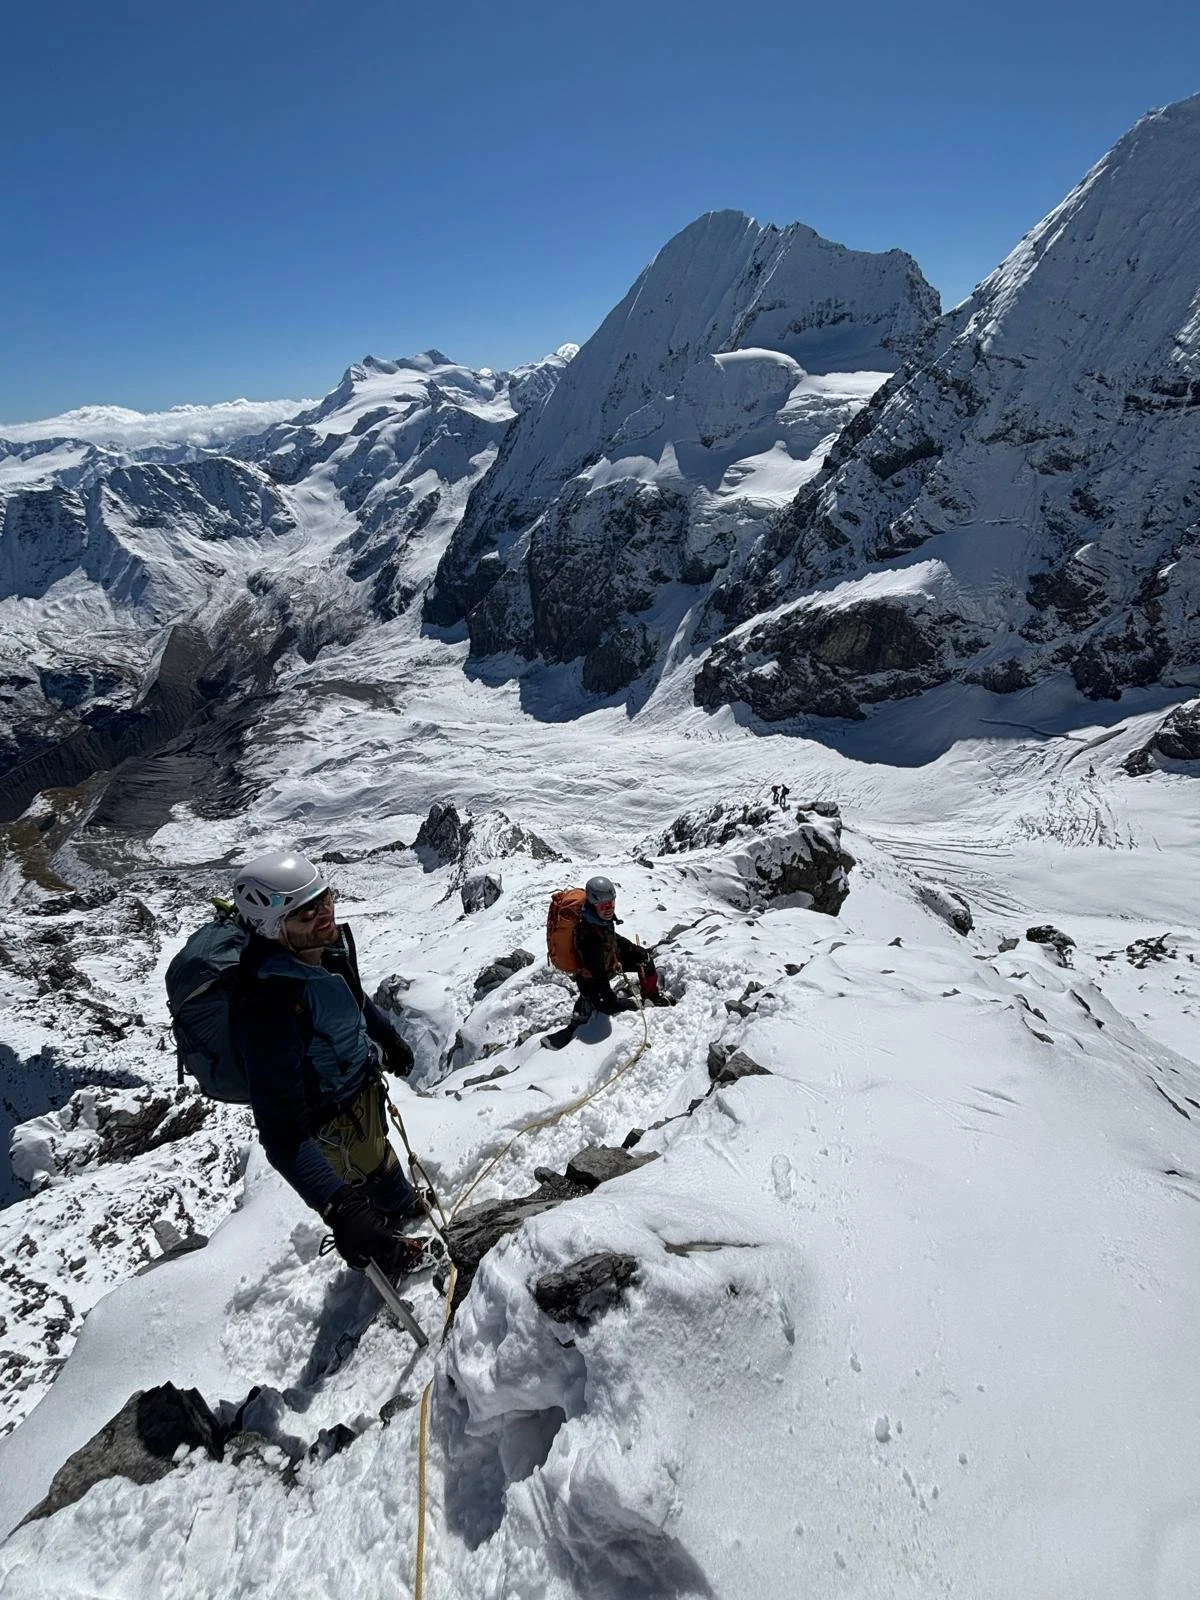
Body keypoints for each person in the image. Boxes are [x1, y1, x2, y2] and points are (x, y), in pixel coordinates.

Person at [232, 850, 426, 1279]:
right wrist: (338, 1208)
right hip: (328, 1126)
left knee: (380, 1159)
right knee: (362, 1190)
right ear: (272, 929)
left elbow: (352, 1000)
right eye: (306, 913)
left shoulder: (326, 951)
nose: (324, 916)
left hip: (362, 1095)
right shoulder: (268, 1006)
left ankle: (398, 1202)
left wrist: (388, 1040)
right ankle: (390, 1253)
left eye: (326, 899)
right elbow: (281, 1135)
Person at [571, 875, 666, 1021]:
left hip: (607, 963)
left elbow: (611, 937)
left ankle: (652, 996)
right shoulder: (589, 938)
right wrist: (618, 1003)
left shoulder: (598, 918)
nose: (609, 909)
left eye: (611, 903)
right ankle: (587, 1003)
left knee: (644, 958)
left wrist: (633, 949)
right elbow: (599, 976)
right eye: (604, 905)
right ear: (593, 904)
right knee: (611, 1005)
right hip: (594, 983)